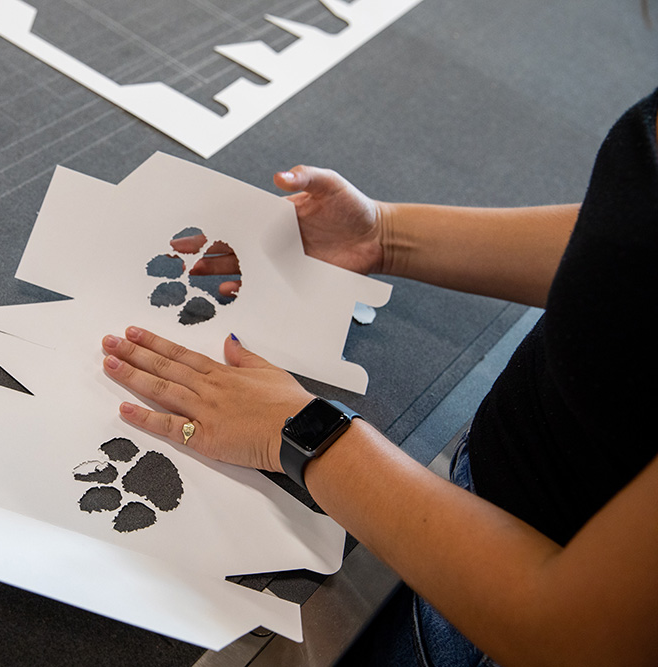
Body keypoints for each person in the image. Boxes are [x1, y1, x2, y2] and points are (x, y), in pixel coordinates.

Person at [99, 87, 658, 666]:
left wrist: (300, 431)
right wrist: (383, 235)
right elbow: (636, 241)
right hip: (479, 513)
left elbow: (577, 637)